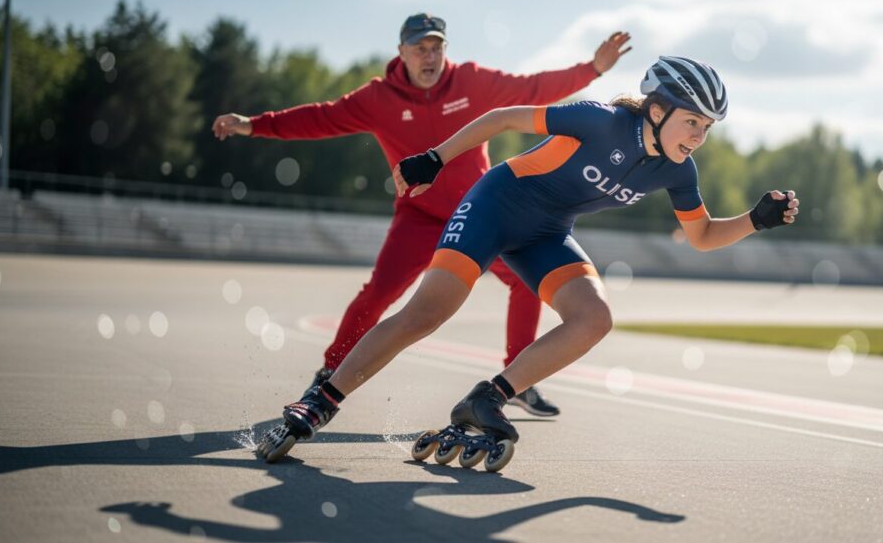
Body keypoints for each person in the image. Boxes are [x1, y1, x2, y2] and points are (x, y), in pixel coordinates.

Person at [256, 55, 800, 467]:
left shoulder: (678, 172)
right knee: (427, 312)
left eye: (708, 128)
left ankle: (485, 399)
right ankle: (320, 400)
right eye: (693, 123)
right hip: (498, 204)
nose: (700, 137)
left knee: (595, 319)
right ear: (657, 110)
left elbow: (701, 235)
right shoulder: (599, 120)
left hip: (545, 233)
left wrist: (754, 220)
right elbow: (499, 118)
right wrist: (435, 159)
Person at [213, 14, 632, 416]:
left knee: (526, 285)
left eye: (437, 47)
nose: (429, 56)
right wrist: (254, 124)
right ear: (402, 52)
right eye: (420, 48)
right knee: (378, 293)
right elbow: (321, 118)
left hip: (480, 213)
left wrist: (592, 68)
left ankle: (516, 382)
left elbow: (534, 87)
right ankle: (328, 375)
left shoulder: (472, 81)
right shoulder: (378, 98)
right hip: (418, 216)